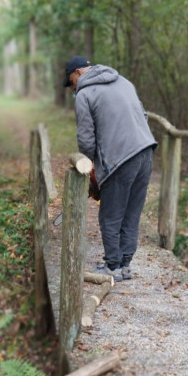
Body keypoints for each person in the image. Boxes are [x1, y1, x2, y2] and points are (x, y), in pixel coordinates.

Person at [63, 56, 157, 282]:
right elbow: (142, 116)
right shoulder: (124, 82)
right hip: (146, 151)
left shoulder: (85, 95)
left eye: (71, 82)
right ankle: (125, 265)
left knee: (110, 216)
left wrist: (89, 169)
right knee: (132, 214)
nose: (72, 88)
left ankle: (113, 267)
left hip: (121, 160)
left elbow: (86, 140)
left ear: (78, 73)